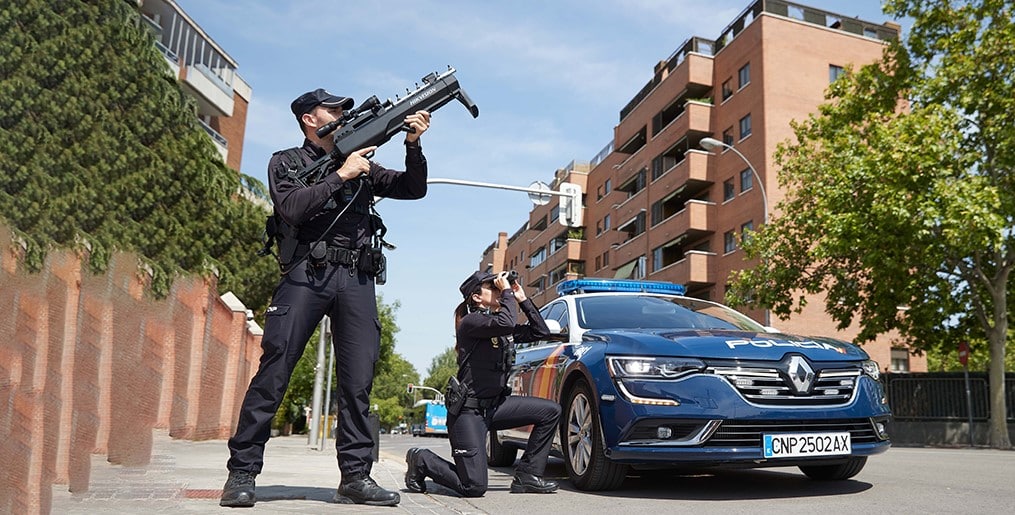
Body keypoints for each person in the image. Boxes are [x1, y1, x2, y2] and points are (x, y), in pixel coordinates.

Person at [220, 88, 432, 508]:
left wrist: (413, 144)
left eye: (341, 108)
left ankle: (355, 477)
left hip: (355, 277)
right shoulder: (286, 161)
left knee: (358, 381)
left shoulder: (362, 163)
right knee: (275, 371)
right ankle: (242, 473)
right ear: (308, 119)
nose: (339, 114)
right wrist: (342, 175)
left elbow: (413, 188)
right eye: (332, 109)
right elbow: (292, 208)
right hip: (306, 273)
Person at [404, 271, 561, 497]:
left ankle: (528, 475)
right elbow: (506, 321)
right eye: (493, 287)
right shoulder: (471, 322)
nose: (499, 290)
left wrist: (522, 298)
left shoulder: (498, 327)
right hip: (468, 413)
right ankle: (421, 459)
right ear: (476, 297)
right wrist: (506, 292)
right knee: (474, 487)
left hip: (496, 407)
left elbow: (540, 330)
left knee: (550, 412)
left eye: (499, 287)